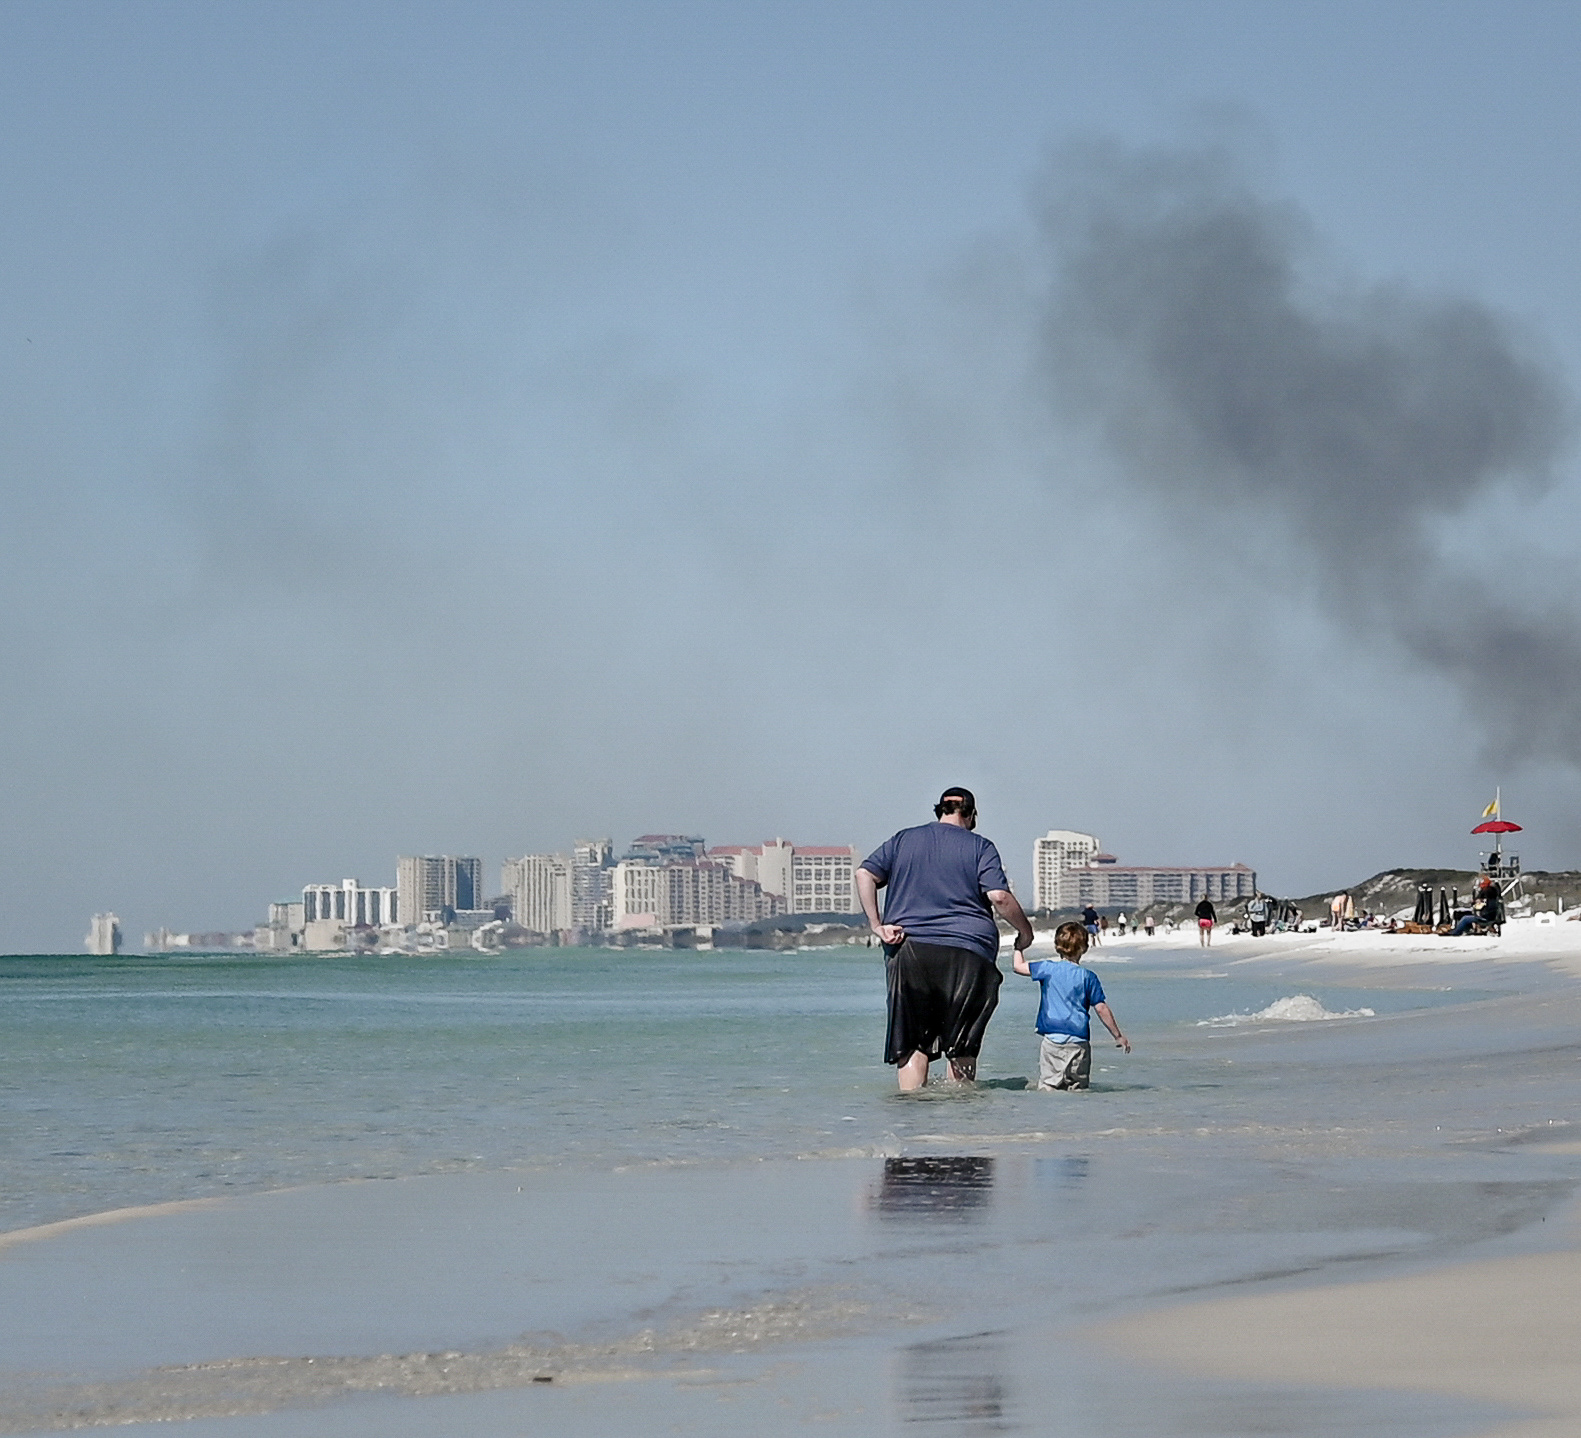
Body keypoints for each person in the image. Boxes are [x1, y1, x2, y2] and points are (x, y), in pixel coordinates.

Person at [857, 787, 1034, 1091]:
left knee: (912, 1044)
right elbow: (999, 896)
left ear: (939, 809)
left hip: (910, 948)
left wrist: (877, 925)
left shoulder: (903, 840)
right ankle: (959, 1126)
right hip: (969, 953)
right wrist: (1025, 932)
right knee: (961, 1045)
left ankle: (912, 1125)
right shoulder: (980, 847)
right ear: (971, 813)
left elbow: (864, 874)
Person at [1013, 920, 1129, 1090]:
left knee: (1048, 1088)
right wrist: (1118, 1036)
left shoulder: (1047, 969)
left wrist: (1018, 947)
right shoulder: (1088, 977)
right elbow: (1101, 1008)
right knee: (1078, 1089)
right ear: (1085, 948)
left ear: (1057, 946)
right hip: (1079, 1041)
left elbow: (1018, 967)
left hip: (1052, 1040)